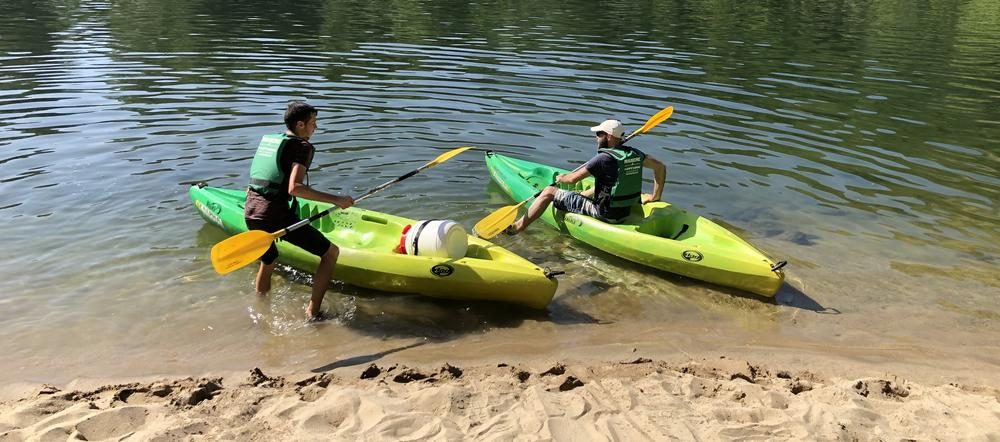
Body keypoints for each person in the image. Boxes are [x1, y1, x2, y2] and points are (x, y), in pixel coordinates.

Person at [243, 101, 354, 319]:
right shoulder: (302, 147)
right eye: (314, 123)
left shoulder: (273, 141)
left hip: (251, 210)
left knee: (269, 258)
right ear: (301, 125)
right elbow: (295, 188)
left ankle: (261, 310)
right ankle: (313, 313)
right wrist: (337, 199)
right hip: (274, 215)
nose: (316, 128)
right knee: (331, 253)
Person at [505, 119, 666, 234]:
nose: (596, 137)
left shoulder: (602, 158)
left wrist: (562, 178)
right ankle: (582, 197)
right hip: (624, 212)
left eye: (598, 134)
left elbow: (572, 179)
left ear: (609, 136)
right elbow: (660, 167)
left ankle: (518, 227)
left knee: (548, 191)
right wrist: (655, 197)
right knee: (593, 188)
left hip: (603, 213)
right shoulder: (634, 155)